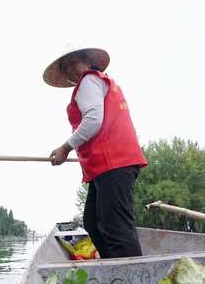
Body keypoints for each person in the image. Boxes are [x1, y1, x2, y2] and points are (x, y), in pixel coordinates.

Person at [44, 48, 148, 258]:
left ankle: (128, 281)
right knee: (93, 222)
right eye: (65, 69)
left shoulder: (89, 82)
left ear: (86, 61)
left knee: (115, 229)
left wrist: (65, 148)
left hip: (114, 162)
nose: (71, 70)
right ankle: (111, 270)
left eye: (73, 63)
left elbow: (93, 120)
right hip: (108, 166)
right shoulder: (97, 82)